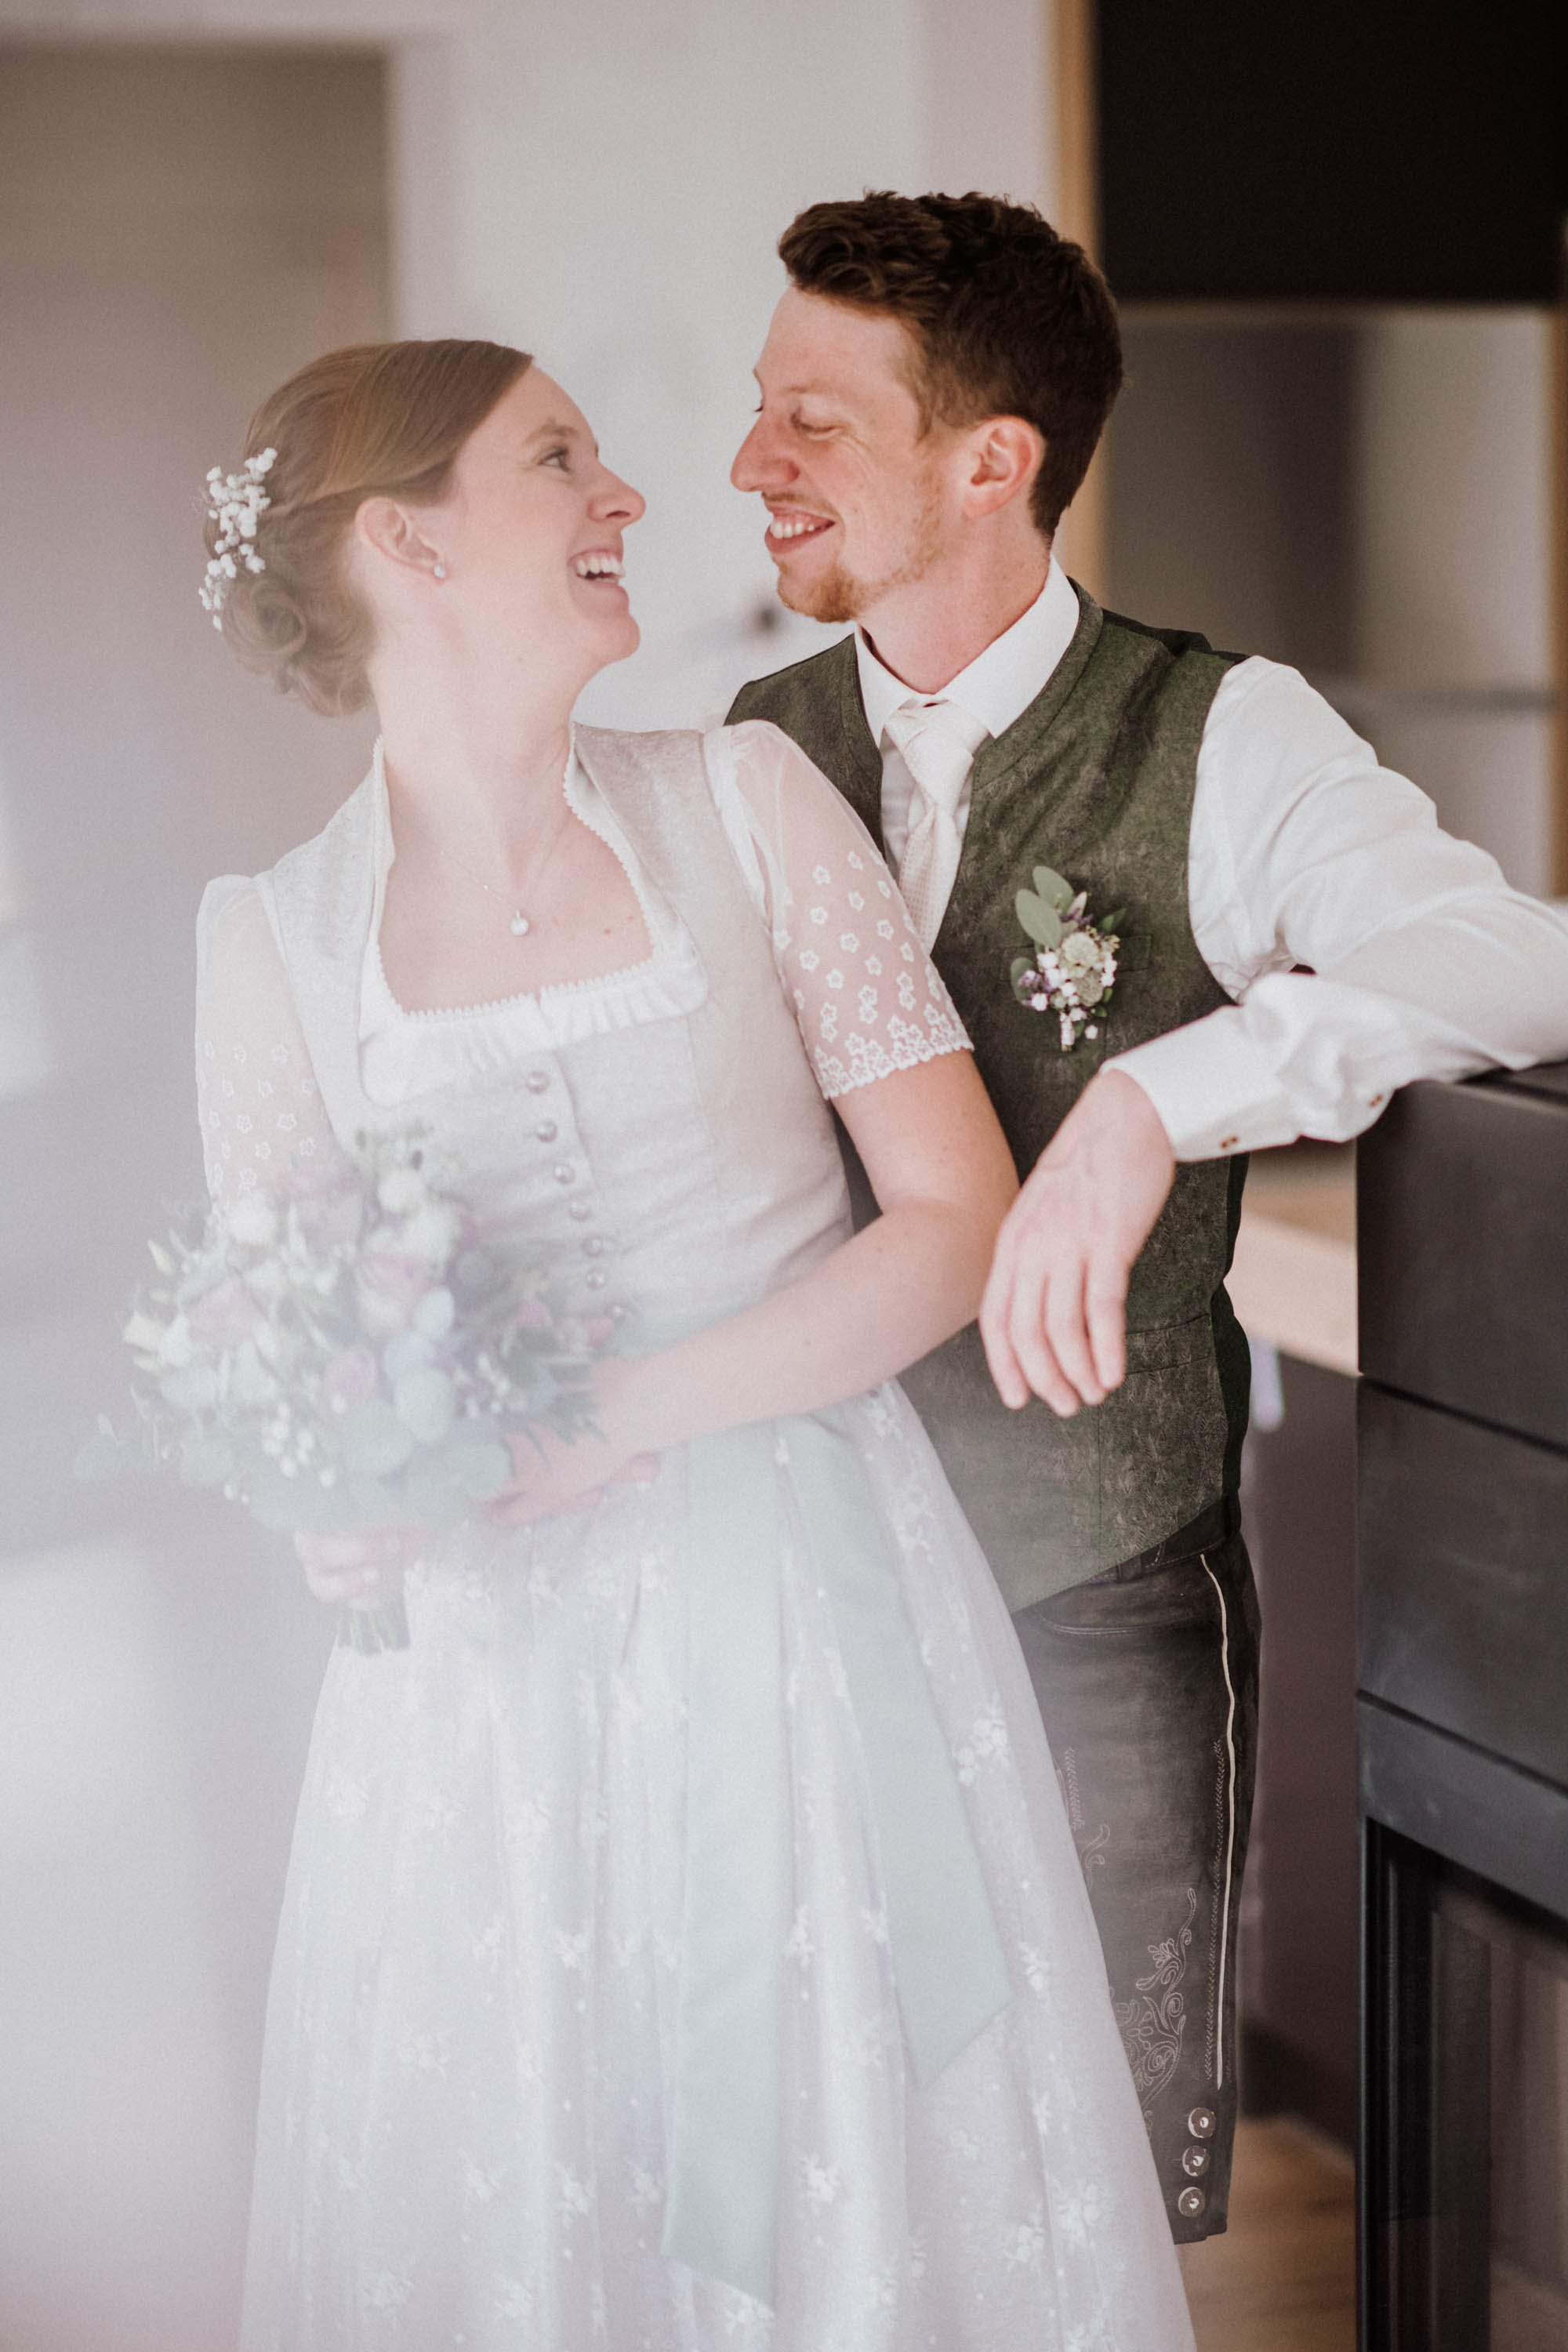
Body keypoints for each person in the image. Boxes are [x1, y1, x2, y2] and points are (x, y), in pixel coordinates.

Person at [197, 337, 1195, 2349]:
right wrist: (334, 1517)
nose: (628, 495)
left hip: (815, 1617)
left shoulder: (742, 801)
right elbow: (287, 1374)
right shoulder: (270, 939)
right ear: (406, 542)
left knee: (859, 2130)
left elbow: (953, 1224)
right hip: (484, 1700)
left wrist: (615, 1421)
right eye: (559, 460)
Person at [728, 190, 1568, 2242]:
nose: (751, 465)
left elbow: (1518, 964)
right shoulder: (754, 753)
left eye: (814, 420)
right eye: (764, 411)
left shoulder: (1224, 733)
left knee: (1095, 2188)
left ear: (991, 460)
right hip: (798, 1593)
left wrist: (1157, 1099)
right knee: (814, 2184)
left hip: (1093, 1587)